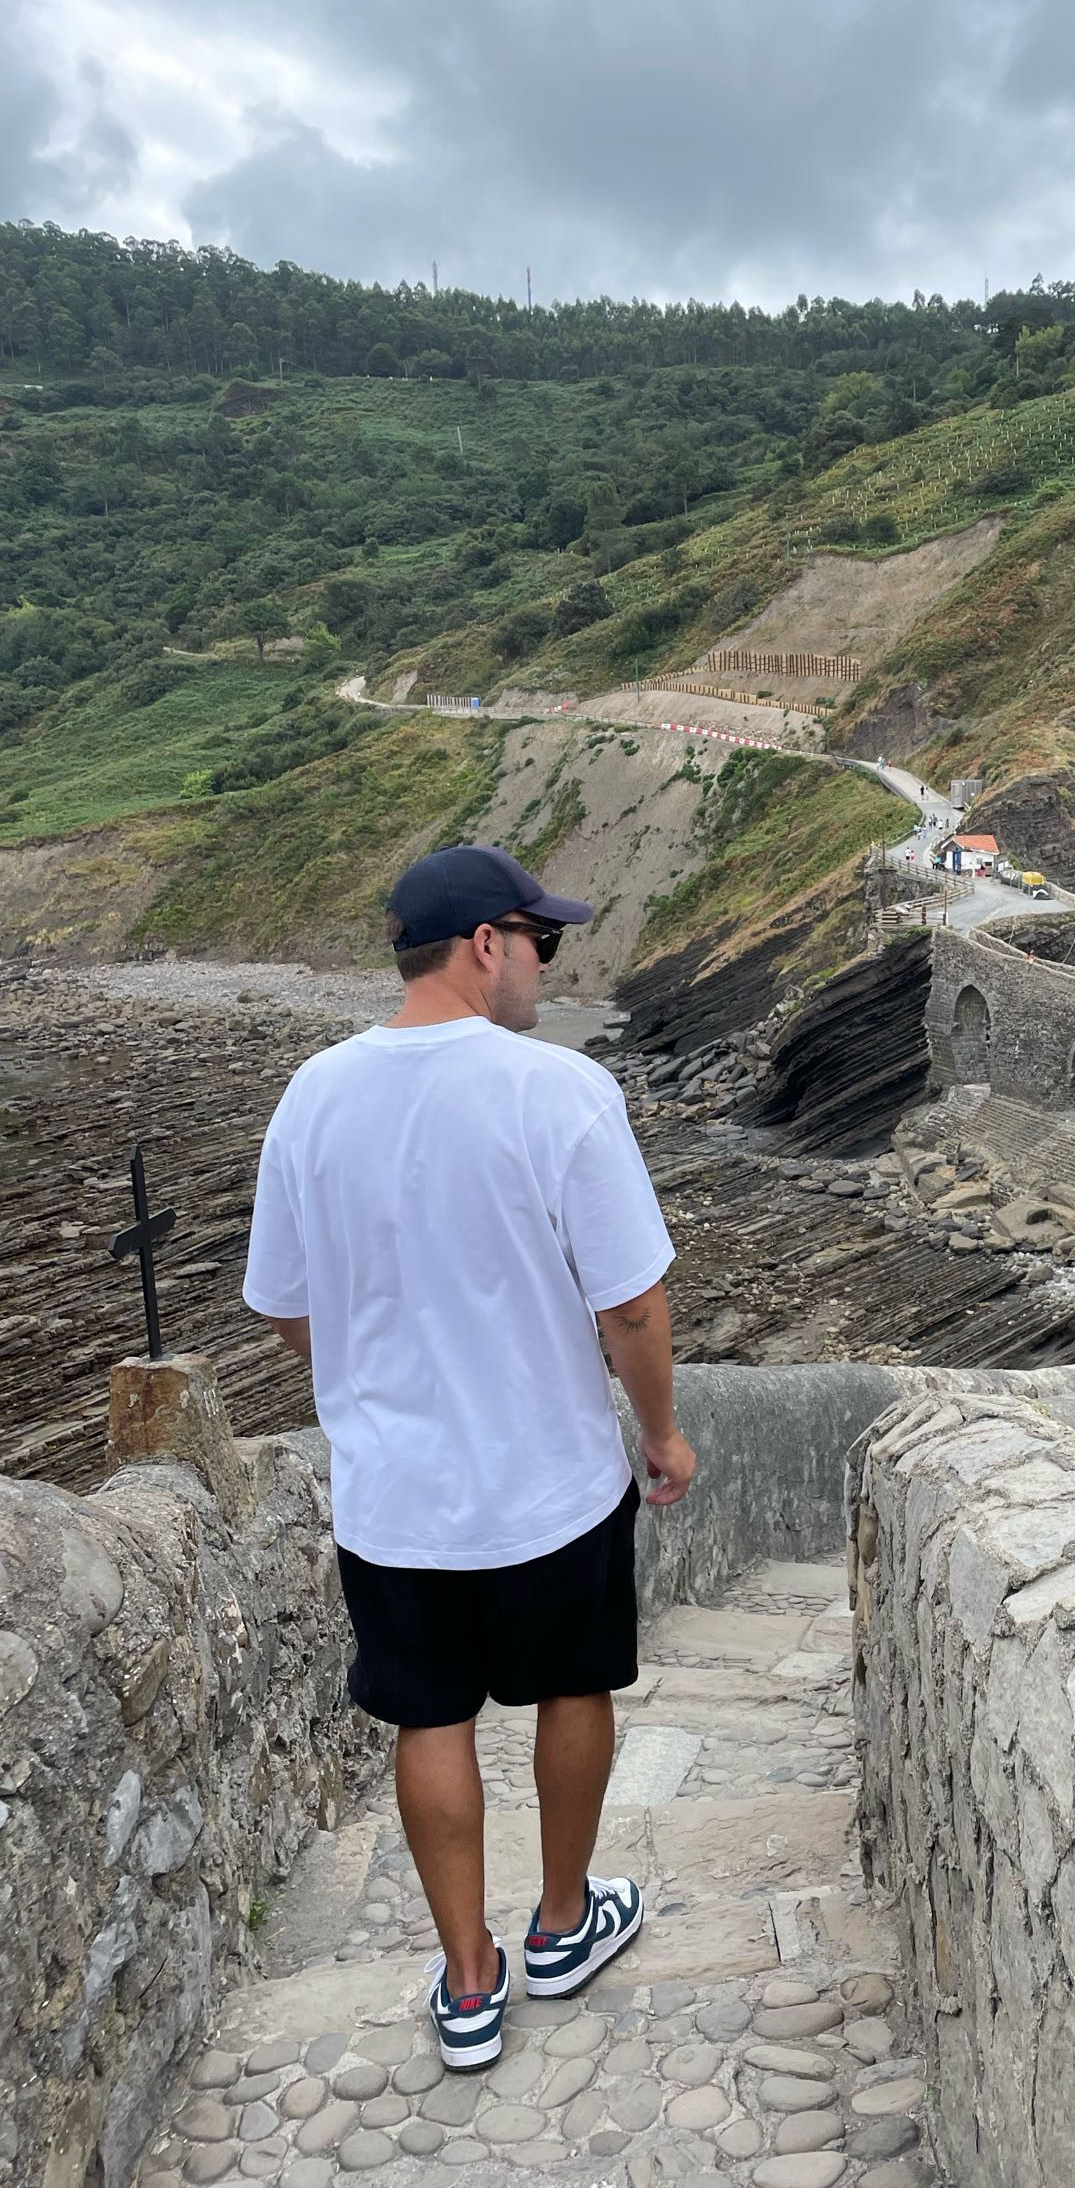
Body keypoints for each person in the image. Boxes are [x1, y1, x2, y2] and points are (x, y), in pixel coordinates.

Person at [243, 845, 695, 2071]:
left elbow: (283, 1302)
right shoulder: (561, 1092)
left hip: (393, 1496)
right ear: (488, 943)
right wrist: (659, 1432)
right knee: (573, 1688)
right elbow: (631, 1304)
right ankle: (563, 1922)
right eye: (543, 941)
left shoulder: (312, 1097)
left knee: (428, 1717)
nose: (549, 963)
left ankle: (467, 1981)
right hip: (552, 1481)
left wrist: (375, 1379)